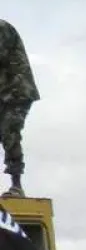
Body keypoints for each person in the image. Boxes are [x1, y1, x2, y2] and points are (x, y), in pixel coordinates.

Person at [0, 19, 39, 198]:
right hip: (3, 92)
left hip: (17, 91)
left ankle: (16, 186)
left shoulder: (2, 28)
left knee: (9, 132)